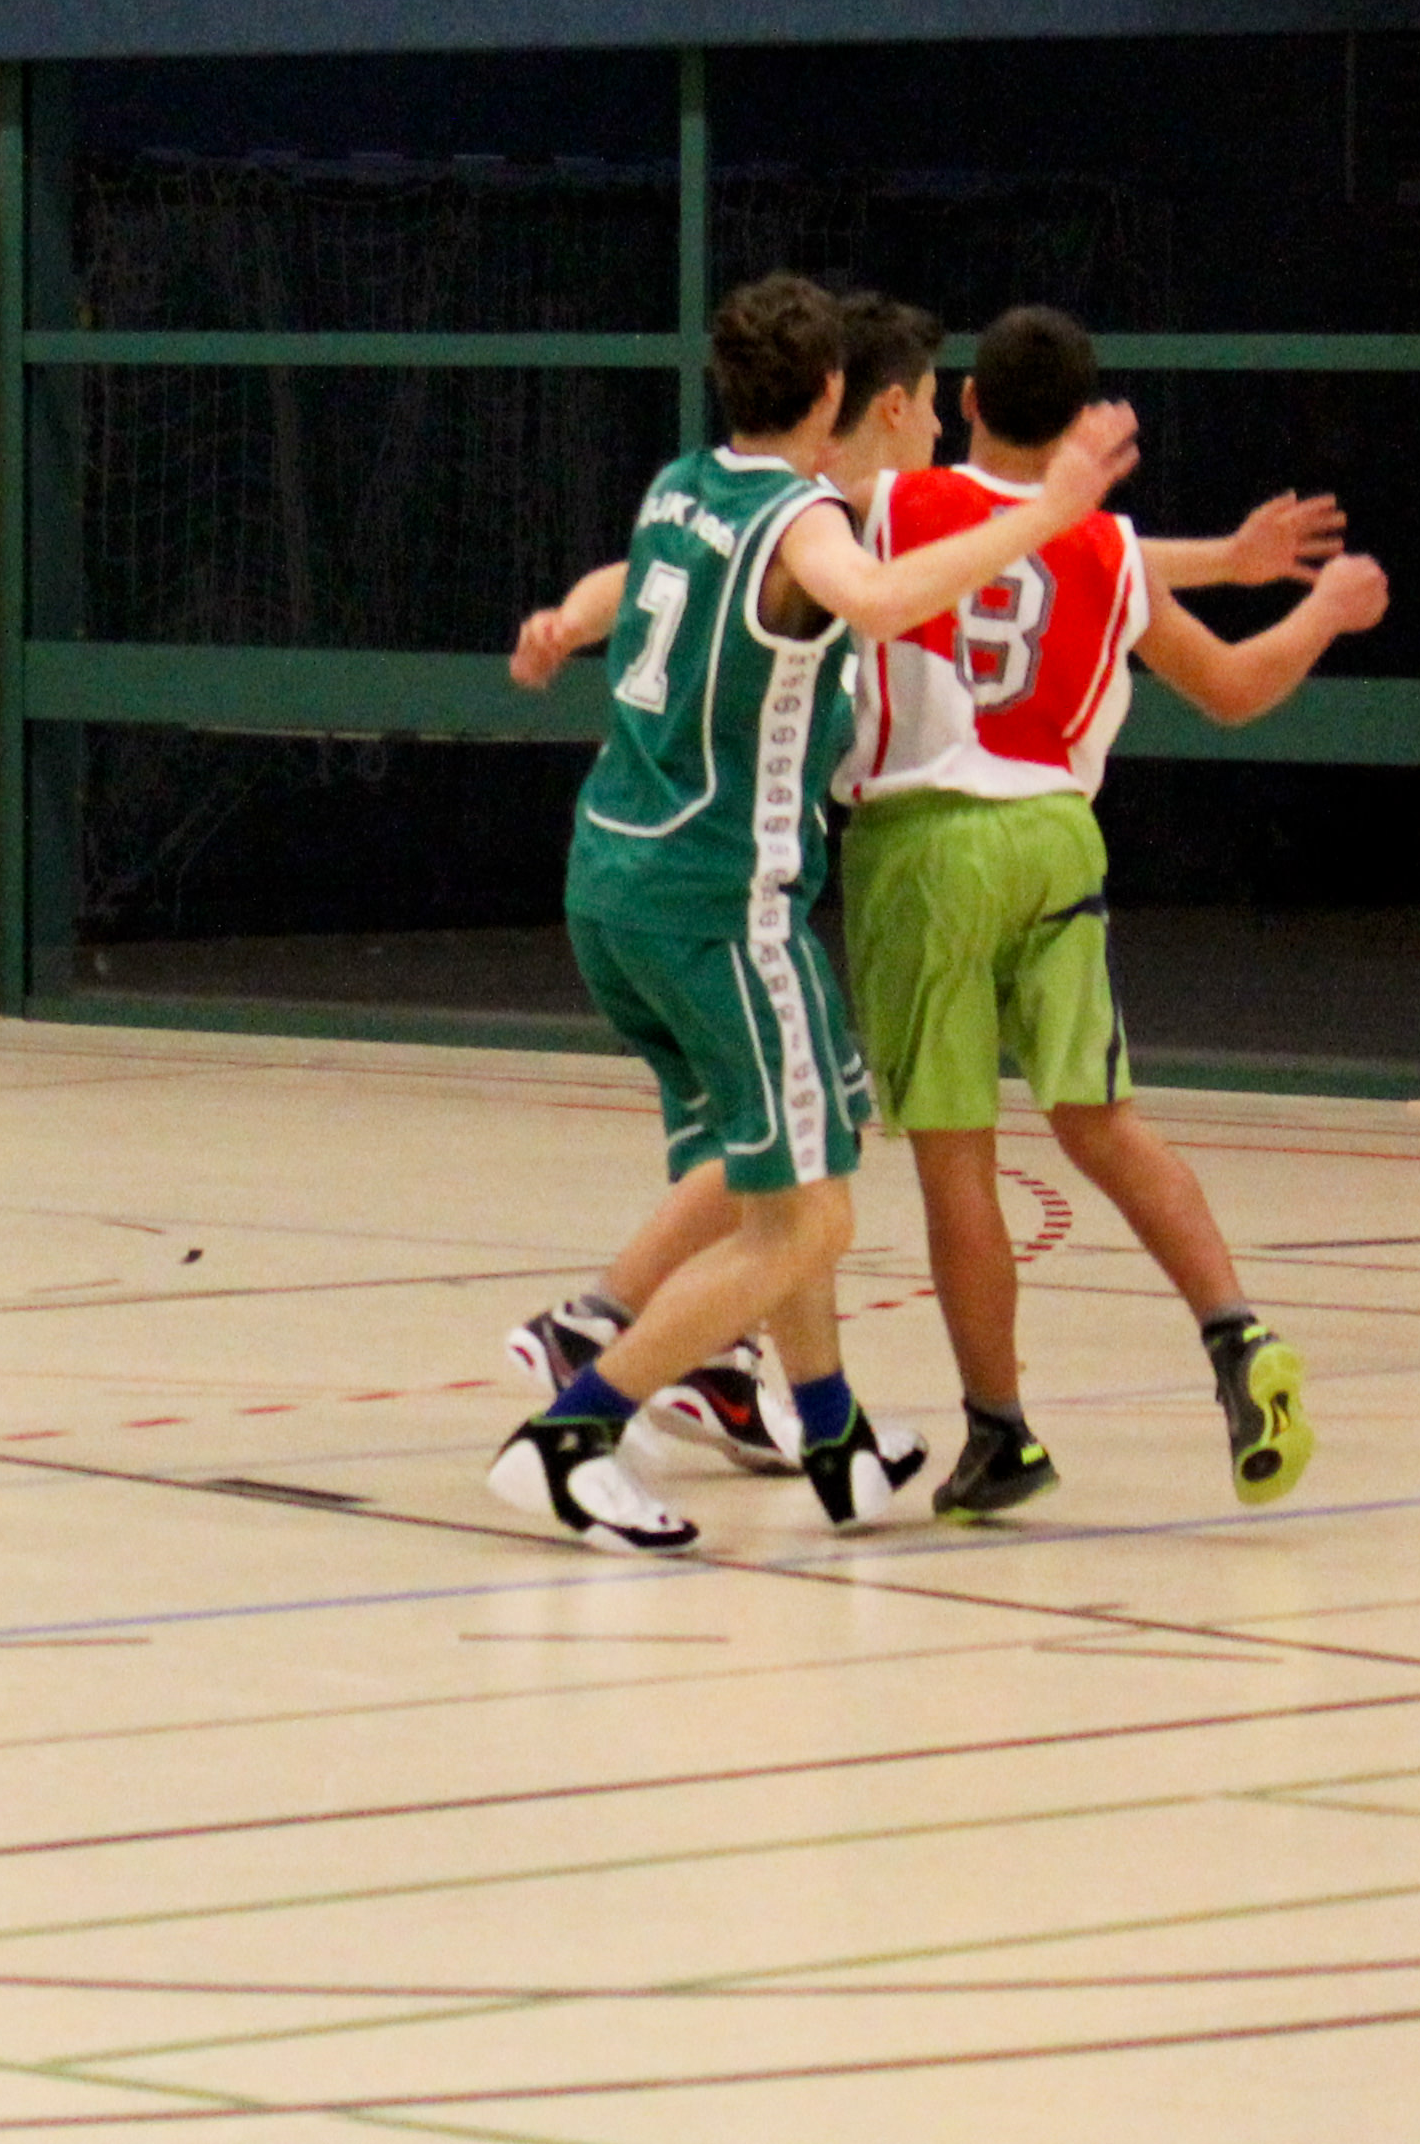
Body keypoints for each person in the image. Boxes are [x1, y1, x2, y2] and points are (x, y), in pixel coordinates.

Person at [484, 275, 1138, 1552]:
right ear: (838, 391)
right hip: (721, 901)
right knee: (812, 1213)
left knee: (793, 1159)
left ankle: (831, 1433)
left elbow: (630, 579)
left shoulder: (684, 487)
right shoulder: (805, 523)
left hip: (612, 882)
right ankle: (573, 1427)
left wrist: (564, 620)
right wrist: (1051, 511)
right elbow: (882, 602)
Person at [843, 304, 1389, 1523]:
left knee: (955, 1154)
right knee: (1104, 1121)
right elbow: (1235, 688)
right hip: (1059, 836)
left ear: (965, 402)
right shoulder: (1108, 550)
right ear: (1084, 423)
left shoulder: (892, 507)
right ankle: (1237, 1333)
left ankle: (1001, 1431)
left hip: (926, 842)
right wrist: (1315, 604)